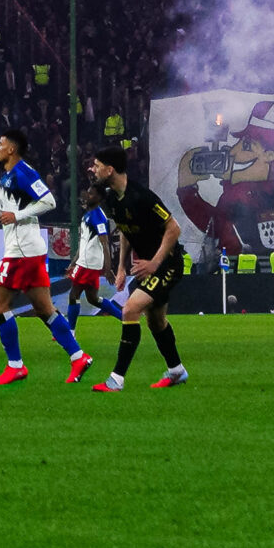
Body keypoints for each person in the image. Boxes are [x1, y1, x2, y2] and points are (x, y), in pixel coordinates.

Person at [0, 128, 86, 386]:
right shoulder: (7, 177)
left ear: (12, 149)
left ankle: (16, 366)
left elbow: (49, 201)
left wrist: (18, 216)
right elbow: (7, 211)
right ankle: (78, 356)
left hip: (21, 251)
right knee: (45, 309)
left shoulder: (24, 172)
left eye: (0, 144)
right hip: (28, 250)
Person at [86, 141, 188, 393]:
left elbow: (174, 228)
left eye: (96, 166)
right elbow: (125, 230)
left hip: (168, 263)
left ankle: (116, 379)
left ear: (110, 170)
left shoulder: (141, 196)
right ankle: (176, 370)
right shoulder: (112, 200)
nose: (92, 169)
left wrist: (155, 262)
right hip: (148, 266)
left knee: (130, 309)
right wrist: (121, 267)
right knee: (156, 321)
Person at [70, 186, 126, 322]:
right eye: (87, 193)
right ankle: (124, 318)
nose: (87, 196)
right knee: (93, 299)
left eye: (91, 194)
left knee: (73, 295)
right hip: (85, 261)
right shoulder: (88, 215)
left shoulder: (98, 216)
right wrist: (74, 261)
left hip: (88, 262)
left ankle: (70, 332)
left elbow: (105, 243)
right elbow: (84, 241)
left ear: (99, 198)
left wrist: (108, 269)